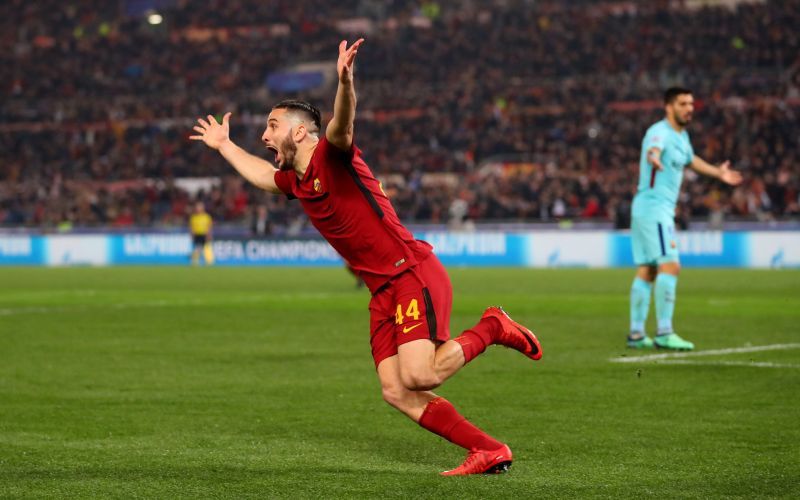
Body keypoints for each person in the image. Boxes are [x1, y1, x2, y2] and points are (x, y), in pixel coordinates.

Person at [190, 39, 542, 475]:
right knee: (396, 390)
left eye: (272, 125)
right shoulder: (297, 180)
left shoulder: (329, 156)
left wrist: (344, 81)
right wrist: (224, 145)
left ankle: (493, 327)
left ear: (299, 132)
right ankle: (488, 449)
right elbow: (263, 176)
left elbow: (341, 126)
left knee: (421, 376)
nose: (264, 135)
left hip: (410, 271)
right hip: (382, 290)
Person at [627, 87, 742, 350]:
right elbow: (653, 149)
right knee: (671, 266)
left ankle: (635, 334)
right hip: (654, 209)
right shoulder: (660, 131)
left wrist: (716, 173)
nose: (689, 108)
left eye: (691, 103)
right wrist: (654, 157)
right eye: (683, 103)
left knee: (648, 269)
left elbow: (690, 159)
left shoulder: (682, 136)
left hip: (649, 208)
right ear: (669, 107)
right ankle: (665, 332)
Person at [189, 201, 214, 265]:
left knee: (206, 247)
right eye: (197, 207)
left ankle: (209, 261)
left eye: (200, 207)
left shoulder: (207, 217)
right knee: (198, 248)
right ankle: (195, 260)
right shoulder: (193, 217)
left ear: (203, 208)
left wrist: (209, 234)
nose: (198, 208)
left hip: (204, 234)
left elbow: (209, 226)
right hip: (197, 234)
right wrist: (192, 234)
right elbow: (191, 227)